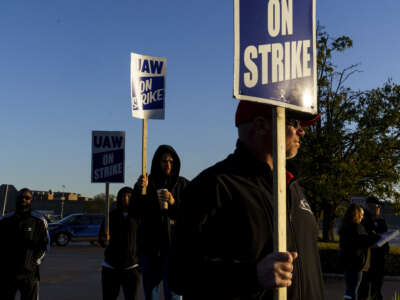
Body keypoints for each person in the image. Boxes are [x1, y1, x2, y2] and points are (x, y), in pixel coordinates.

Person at [168, 101, 324, 299]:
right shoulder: (213, 186)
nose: (302, 132)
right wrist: (252, 276)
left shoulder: (293, 187)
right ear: (260, 125)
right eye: (294, 123)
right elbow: (179, 275)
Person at [131, 145, 189, 300]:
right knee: (151, 293)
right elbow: (135, 212)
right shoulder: (147, 184)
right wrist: (138, 189)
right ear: (157, 162)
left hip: (174, 250)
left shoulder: (183, 185)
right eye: (164, 161)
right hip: (151, 250)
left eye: (171, 161)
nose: (168, 165)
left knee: (174, 295)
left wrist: (172, 201)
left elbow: (189, 215)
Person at [0, 188, 50, 300]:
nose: (23, 199)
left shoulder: (39, 221)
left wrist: (34, 261)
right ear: (16, 199)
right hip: (7, 273)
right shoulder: (5, 220)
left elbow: (45, 244)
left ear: (31, 200)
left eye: (27, 198)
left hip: (29, 273)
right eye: (20, 197)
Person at [98, 187, 140, 300]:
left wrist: (139, 263)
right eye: (122, 196)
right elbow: (101, 240)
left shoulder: (137, 217)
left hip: (131, 267)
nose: (125, 199)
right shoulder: (111, 216)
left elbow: (143, 240)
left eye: (128, 196)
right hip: (110, 267)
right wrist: (104, 238)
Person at [339, 203, 381, 300]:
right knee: (353, 290)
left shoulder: (345, 226)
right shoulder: (356, 227)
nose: (362, 218)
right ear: (356, 215)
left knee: (349, 289)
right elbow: (363, 241)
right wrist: (377, 237)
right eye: (361, 215)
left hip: (347, 263)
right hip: (356, 263)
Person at [357, 196, 389, 300]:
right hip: (367, 258)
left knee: (377, 287)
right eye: (376, 206)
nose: (378, 208)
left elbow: (385, 237)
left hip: (379, 258)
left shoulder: (381, 220)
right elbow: (362, 237)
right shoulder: (363, 219)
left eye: (379, 207)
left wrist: (386, 253)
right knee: (364, 287)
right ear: (369, 206)